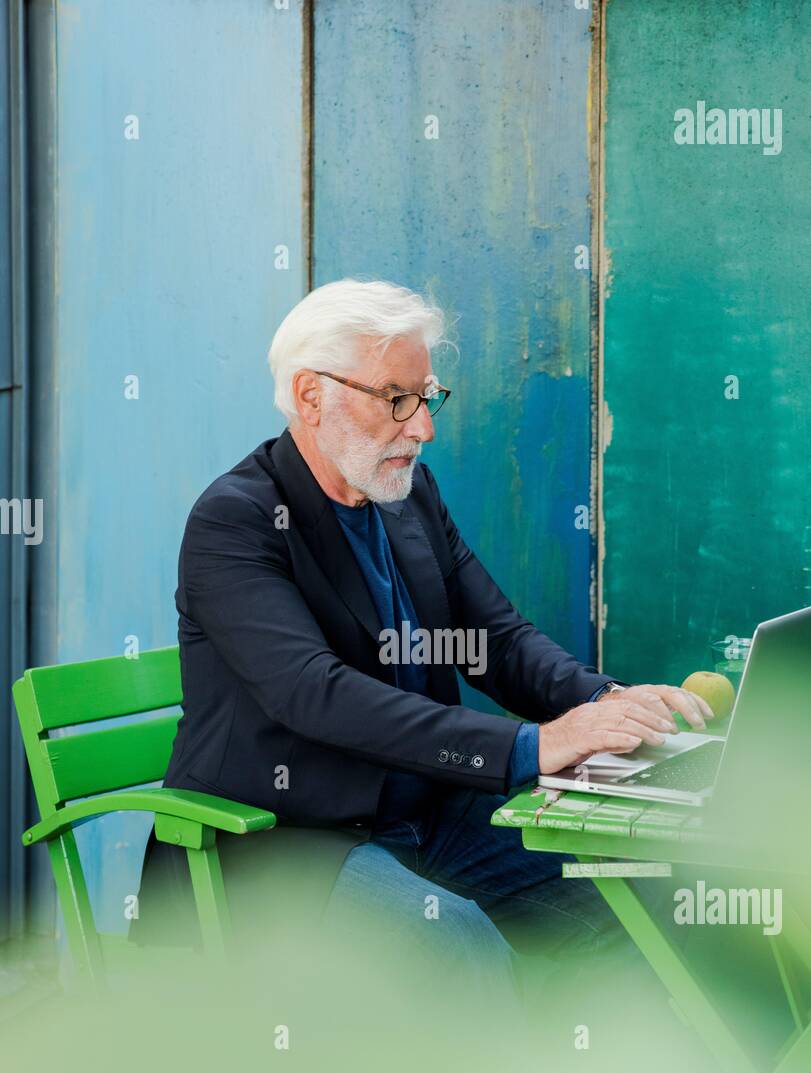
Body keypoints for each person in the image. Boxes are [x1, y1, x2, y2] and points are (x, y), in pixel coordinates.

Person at [133, 278, 711, 1007]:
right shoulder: (235, 521)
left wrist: (606, 702)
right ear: (312, 396)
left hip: (426, 810)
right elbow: (314, 693)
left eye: (426, 397)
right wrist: (533, 748)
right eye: (396, 399)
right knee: (457, 953)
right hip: (286, 841)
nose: (422, 427)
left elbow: (493, 641)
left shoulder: (406, 497)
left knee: (637, 901)